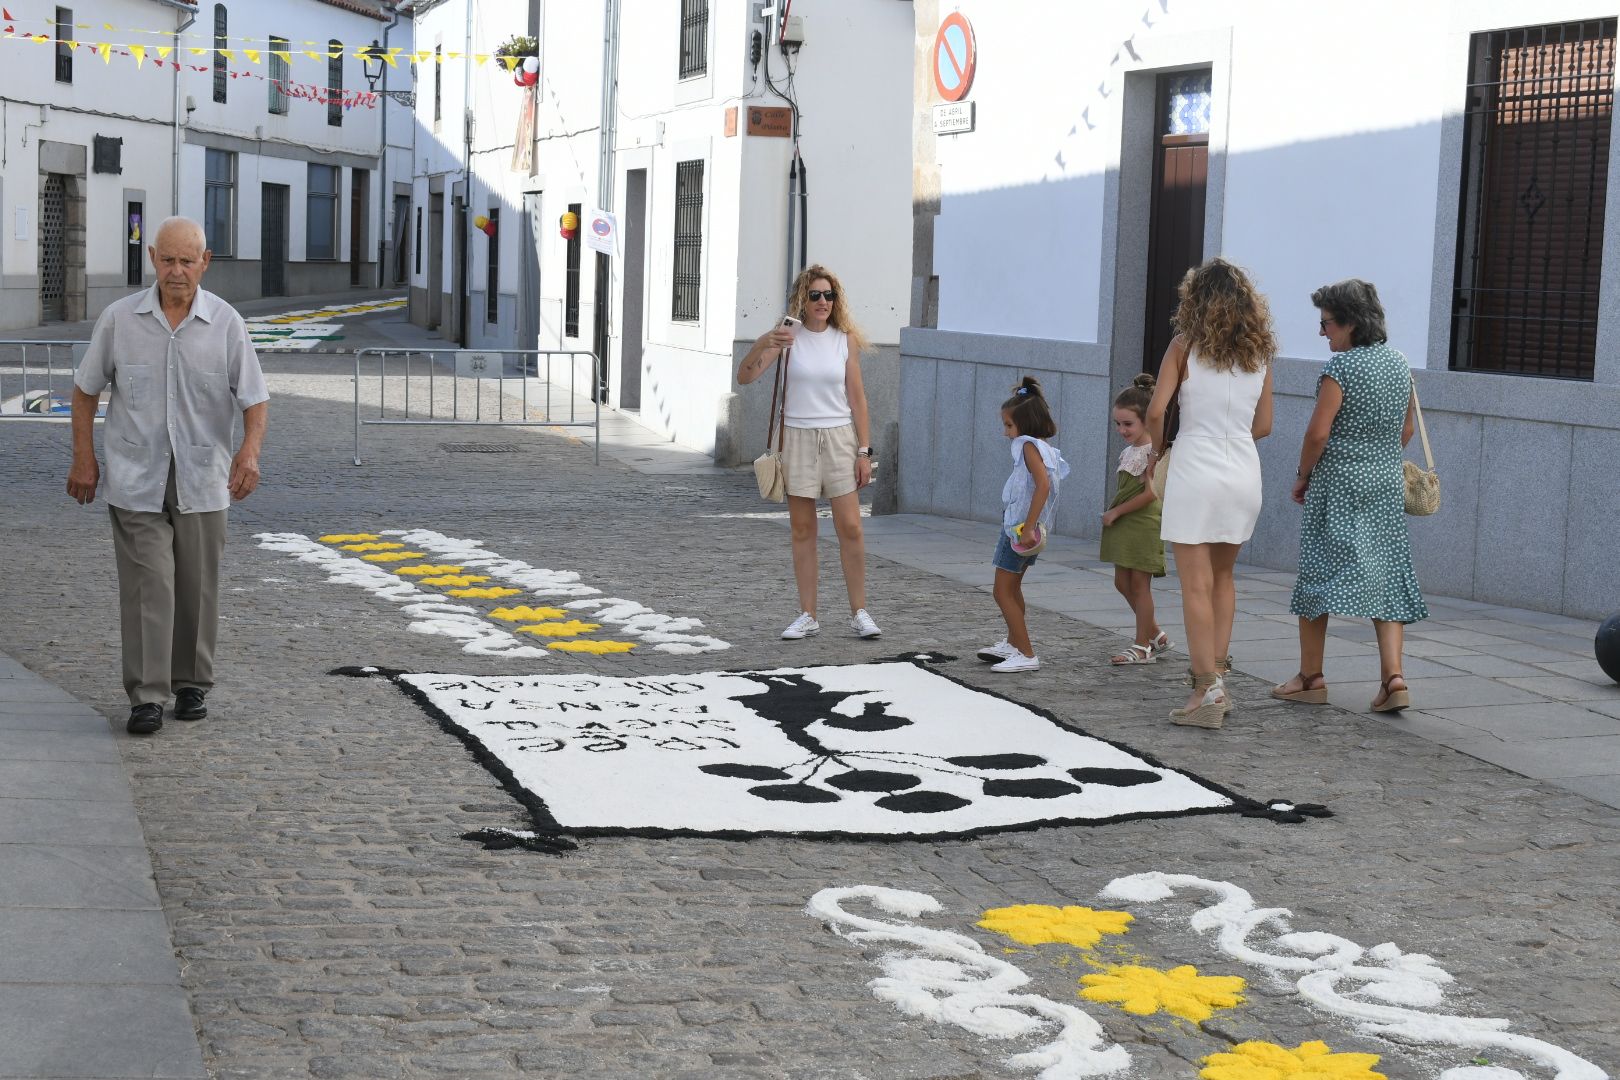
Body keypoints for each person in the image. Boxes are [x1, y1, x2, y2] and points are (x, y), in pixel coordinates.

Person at [66, 216, 269, 735]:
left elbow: (254, 398)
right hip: (135, 475)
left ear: (206, 262)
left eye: (188, 261)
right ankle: (148, 695)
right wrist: (84, 459)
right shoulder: (119, 319)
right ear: (152, 257)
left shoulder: (225, 323)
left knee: (197, 586)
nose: (177, 271)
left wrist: (249, 454)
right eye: (168, 259)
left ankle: (191, 683)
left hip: (203, 476)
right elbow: (86, 391)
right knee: (149, 584)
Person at [1273, 279, 1427, 713]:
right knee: (1386, 573)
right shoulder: (1400, 364)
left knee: (1318, 573)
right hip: (1383, 482)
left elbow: (1317, 433)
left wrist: (1303, 475)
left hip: (1337, 482)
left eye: (1326, 324)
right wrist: (1376, 458)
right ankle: (1393, 678)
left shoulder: (1340, 370)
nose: (1323, 334)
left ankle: (1310, 677)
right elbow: (1408, 430)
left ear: (1351, 324)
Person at [1145, 258, 1276, 728]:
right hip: (1242, 467)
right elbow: (1263, 425)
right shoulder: (1259, 355)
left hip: (1195, 465)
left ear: (1194, 301)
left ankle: (1205, 690)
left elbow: (1157, 409)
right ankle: (1218, 677)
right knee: (1223, 580)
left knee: (1194, 584)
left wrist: (1155, 453)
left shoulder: (1184, 346)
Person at [737, 265, 881, 641]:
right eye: (815, 295)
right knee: (803, 529)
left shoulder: (843, 339)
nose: (822, 302)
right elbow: (746, 376)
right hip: (796, 435)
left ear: (836, 300)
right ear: (803, 299)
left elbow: (858, 398)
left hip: (839, 437)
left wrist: (864, 451)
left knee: (850, 526)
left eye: (829, 295)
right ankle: (807, 614)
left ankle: (859, 612)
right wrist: (765, 341)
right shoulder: (788, 336)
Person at [977, 377, 1070, 673]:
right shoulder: (1043, 447)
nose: (1005, 432)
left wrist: (1027, 526)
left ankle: (1026, 652)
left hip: (1020, 530)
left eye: (1008, 426)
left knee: (1001, 591)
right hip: (1030, 529)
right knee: (1013, 588)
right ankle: (1014, 643)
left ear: (1025, 424)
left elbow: (1042, 486)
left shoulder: (1028, 446)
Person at [1100, 373, 1170, 665]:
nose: (1122, 430)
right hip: (1128, 523)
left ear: (1145, 421)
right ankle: (1154, 633)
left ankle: (1143, 645)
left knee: (1140, 585)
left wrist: (1116, 511)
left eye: (1128, 424)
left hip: (1142, 523)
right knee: (1121, 581)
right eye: (1118, 423)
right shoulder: (1131, 451)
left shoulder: (1151, 452)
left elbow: (1151, 494)